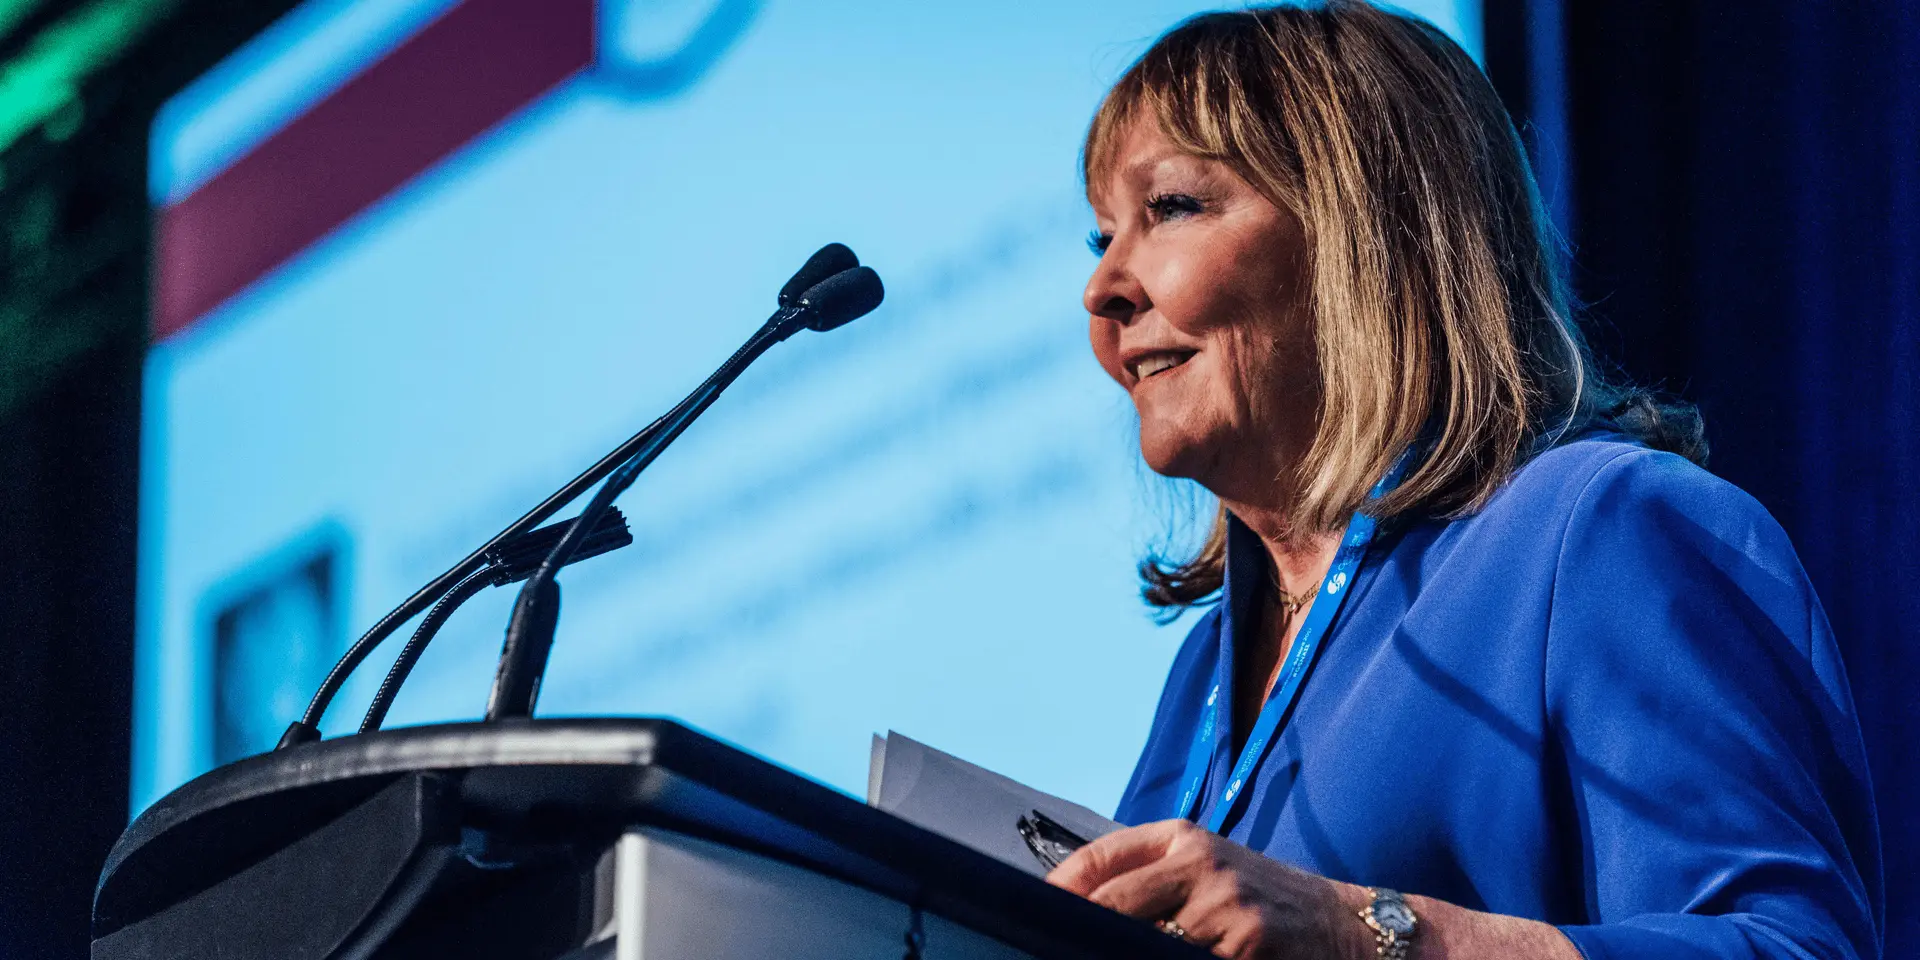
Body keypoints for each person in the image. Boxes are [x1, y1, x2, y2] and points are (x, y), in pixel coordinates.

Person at [1046, 4, 1882, 960]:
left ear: (1364, 233)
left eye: (1170, 209)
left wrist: (1363, 936)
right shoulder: (1206, 668)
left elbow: (1793, 948)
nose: (1103, 288)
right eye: (1101, 238)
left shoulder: (1598, 529)